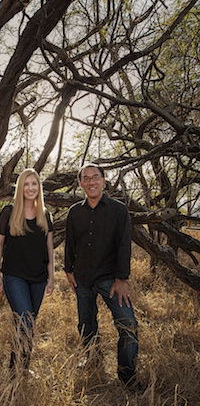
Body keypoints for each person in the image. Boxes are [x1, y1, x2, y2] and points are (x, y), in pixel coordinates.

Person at [64, 163, 139, 390]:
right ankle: (92, 359)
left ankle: (127, 373)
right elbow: (70, 242)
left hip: (111, 279)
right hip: (83, 278)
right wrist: (68, 270)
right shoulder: (75, 212)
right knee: (86, 324)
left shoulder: (118, 210)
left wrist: (121, 279)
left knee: (128, 324)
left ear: (104, 181)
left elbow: (124, 245)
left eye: (95, 177)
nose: (91, 182)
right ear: (80, 184)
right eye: (85, 178)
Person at [0, 169, 54, 373]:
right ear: (20, 188)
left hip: (39, 277)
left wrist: (52, 277)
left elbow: (50, 248)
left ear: (39, 188)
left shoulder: (44, 215)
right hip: (14, 275)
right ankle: (15, 369)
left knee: (28, 324)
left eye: (34, 184)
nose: (30, 188)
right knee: (25, 320)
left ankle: (22, 368)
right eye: (26, 184)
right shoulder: (8, 212)